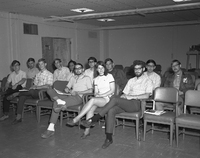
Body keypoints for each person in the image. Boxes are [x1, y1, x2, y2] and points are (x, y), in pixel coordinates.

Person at [81, 60, 153, 149]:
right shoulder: (131, 80)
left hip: (136, 104)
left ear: (143, 69)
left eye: (139, 68)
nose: (137, 70)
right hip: (126, 103)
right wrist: (123, 96)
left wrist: (131, 96)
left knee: (114, 99)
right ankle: (108, 138)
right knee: (111, 110)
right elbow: (124, 93)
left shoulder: (148, 81)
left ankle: (95, 118)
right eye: (135, 69)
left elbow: (146, 95)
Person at [41, 63, 93, 139]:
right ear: (74, 70)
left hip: (78, 97)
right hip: (69, 95)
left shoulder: (87, 78)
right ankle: (60, 102)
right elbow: (67, 87)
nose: (77, 70)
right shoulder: (72, 78)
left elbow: (91, 90)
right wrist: (67, 89)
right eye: (76, 68)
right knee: (49, 90)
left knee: (55, 103)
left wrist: (78, 92)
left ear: (83, 69)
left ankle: (50, 128)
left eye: (79, 68)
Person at [66, 61, 115, 139]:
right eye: (99, 68)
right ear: (97, 69)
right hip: (99, 99)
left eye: (102, 67)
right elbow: (95, 92)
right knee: (90, 109)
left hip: (108, 98)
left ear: (104, 68)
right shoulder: (95, 79)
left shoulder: (109, 76)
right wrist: (97, 95)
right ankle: (86, 131)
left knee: (92, 101)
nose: (101, 69)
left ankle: (77, 119)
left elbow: (112, 90)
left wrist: (101, 95)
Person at [13, 58, 53, 124]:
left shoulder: (50, 74)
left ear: (45, 64)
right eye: (39, 64)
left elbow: (48, 86)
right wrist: (33, 86)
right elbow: (34, 84)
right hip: (34, 93)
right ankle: (18, 117)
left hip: (43, 93)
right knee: (22, 97)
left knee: (30, 91)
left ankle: (18, 93)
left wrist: (37, 87)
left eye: (42, 64)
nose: (40, 65)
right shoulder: (38, 74)